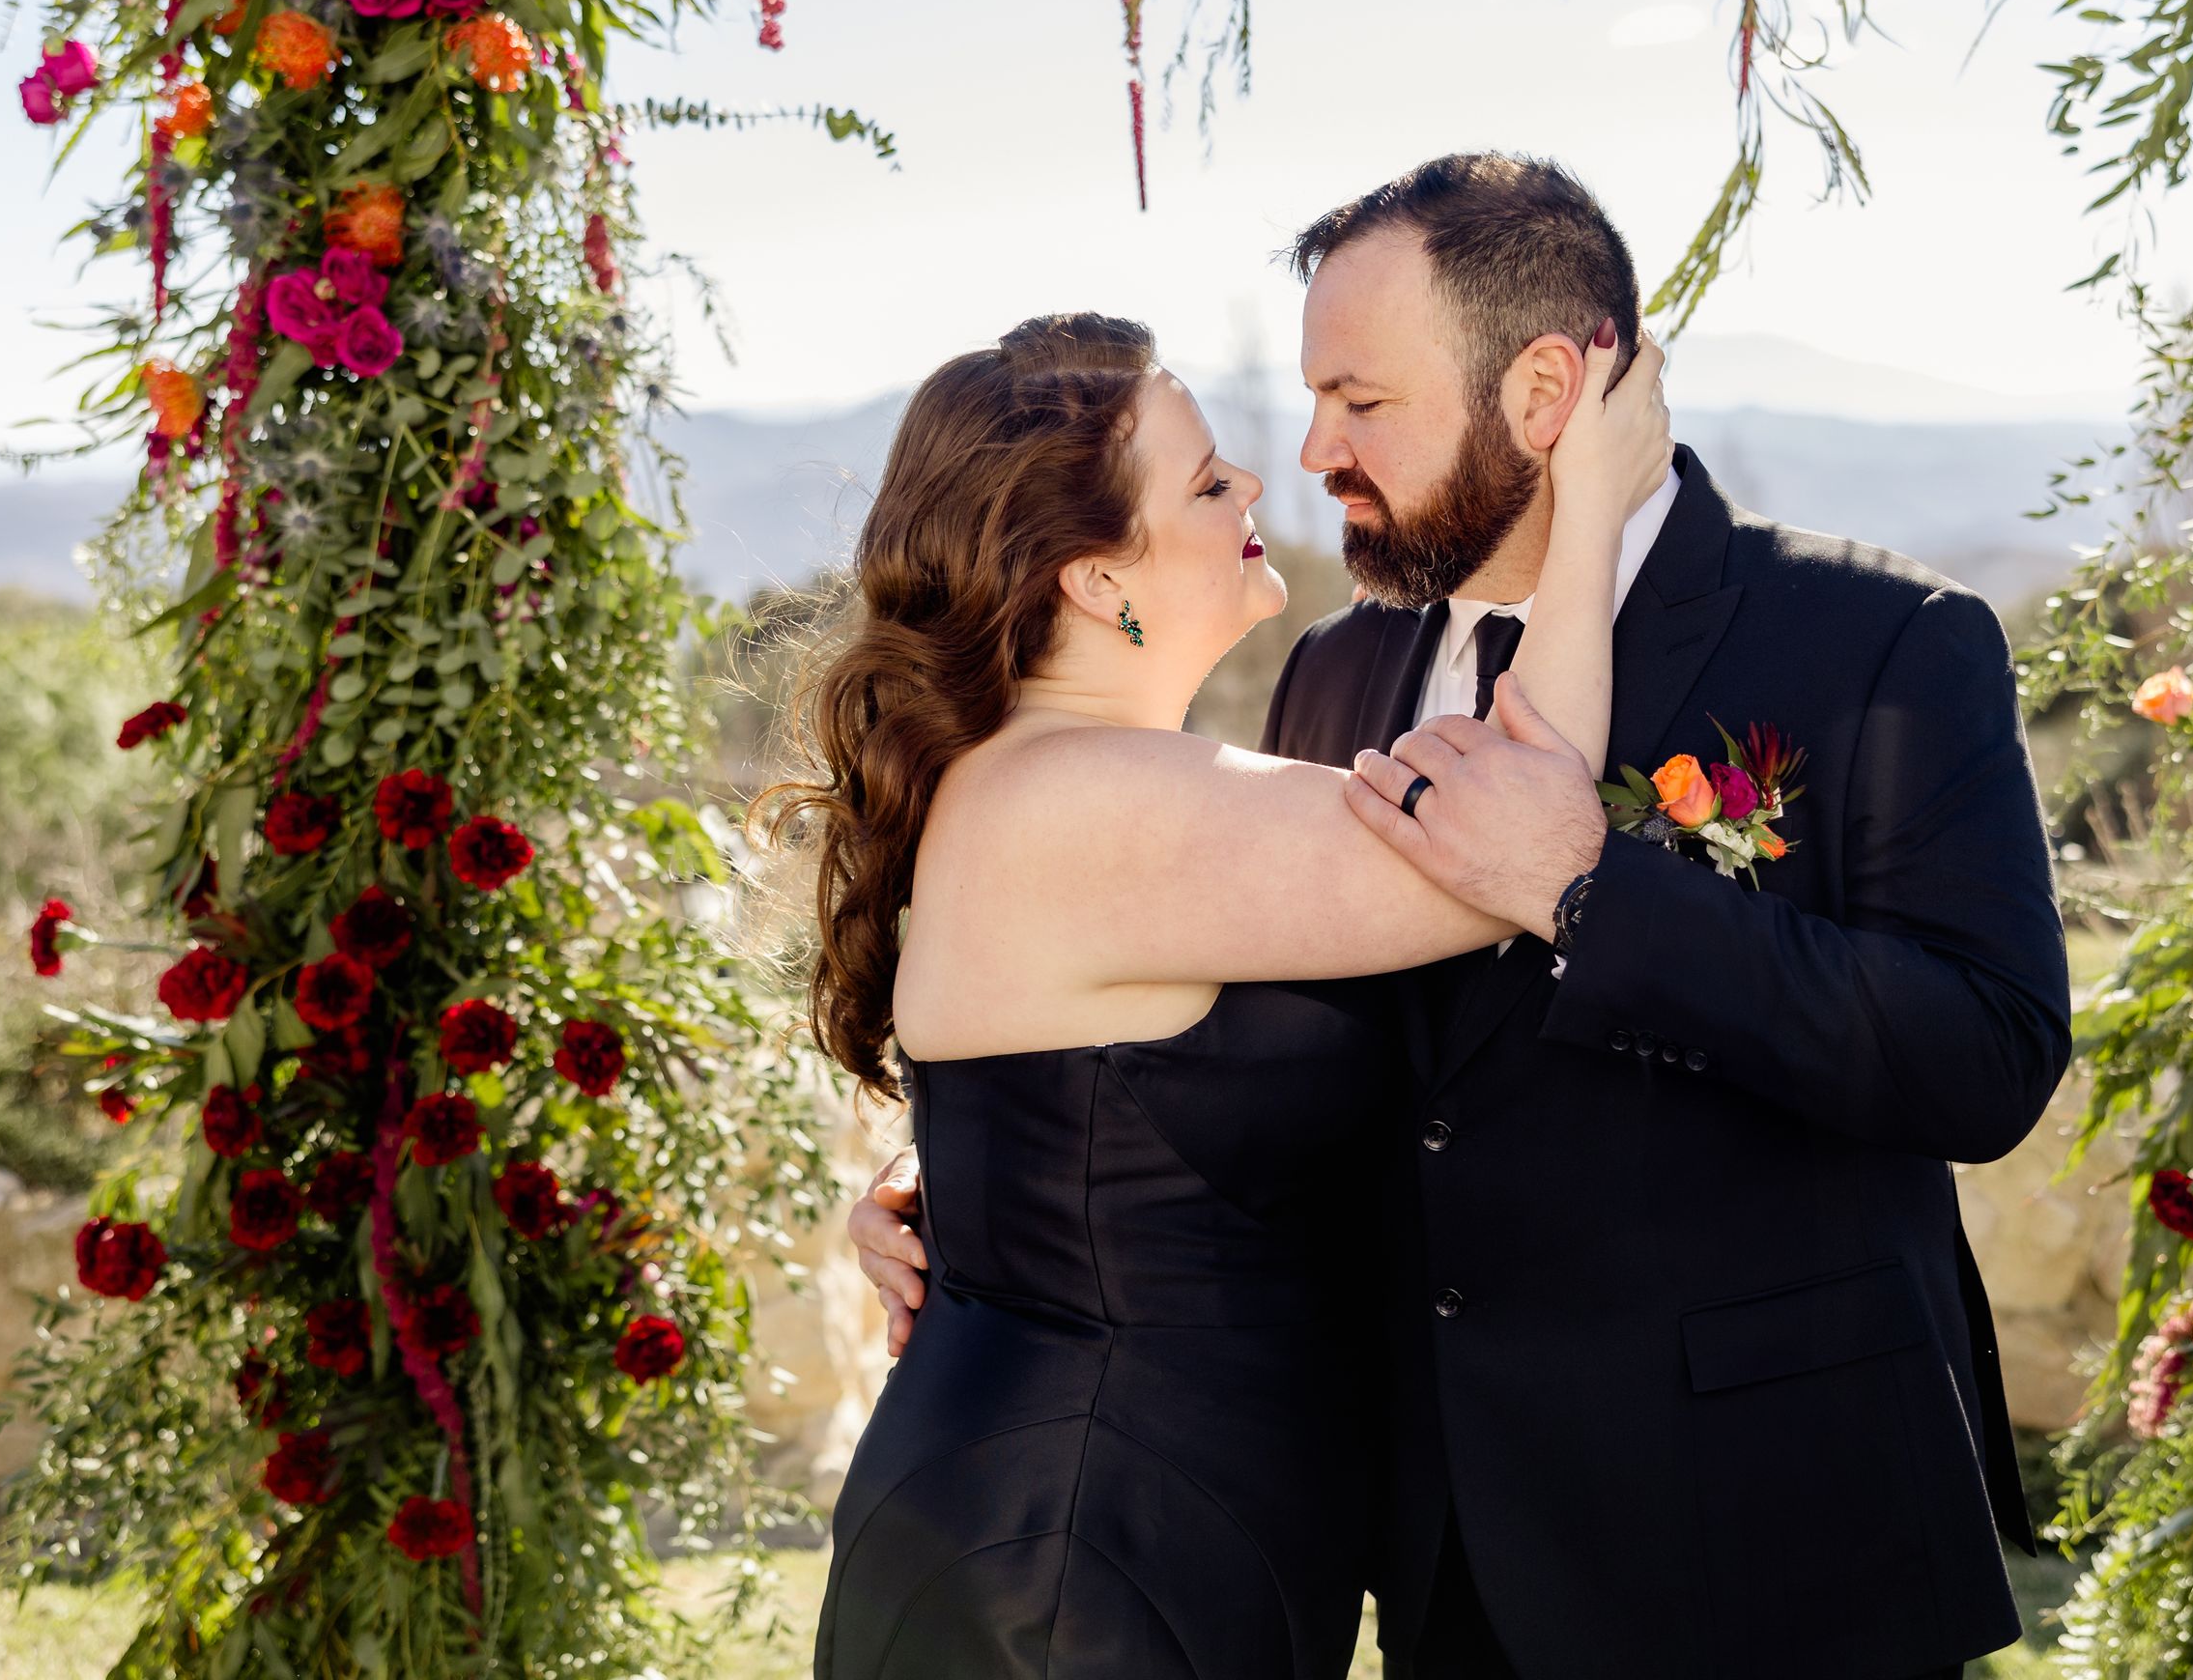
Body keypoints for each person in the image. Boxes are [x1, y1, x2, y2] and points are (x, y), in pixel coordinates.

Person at [850, 154, 2074, 1679]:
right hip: (1436, 1557)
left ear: (1546, 390)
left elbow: (1989, 1054)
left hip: (1772, 1546)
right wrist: (982, 1187)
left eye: (1363, 403)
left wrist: (1589, 896)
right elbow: (1222, 1020)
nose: (1314, 453)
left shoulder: (1878, 641)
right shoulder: (1336, 674)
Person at [765, 306, 1672, 1678]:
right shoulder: (1082, 796)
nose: (1255, 485)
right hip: (1079, 1545)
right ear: (1089, 580)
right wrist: (1592, 498)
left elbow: (1098, 1107)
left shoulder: (1070, 787)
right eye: (1202, 483)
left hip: (1127, 1512)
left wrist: (957, 1185)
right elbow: (1508, 834)